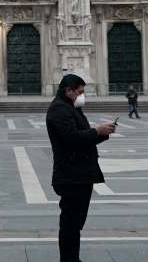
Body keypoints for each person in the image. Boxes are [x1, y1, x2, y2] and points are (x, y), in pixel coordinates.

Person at [46, 73, 116, 262]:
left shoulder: (70, 108)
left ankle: (72, 259)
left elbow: (82, 136)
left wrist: (103, 133)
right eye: (80, 92)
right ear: (68, 90)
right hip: (71, 176)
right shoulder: (59, 110)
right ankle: (69, 260)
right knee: (70, 223)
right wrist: (97, 131)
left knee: (75, 223)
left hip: (79, 174)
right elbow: (72, 139)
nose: (82, 96)